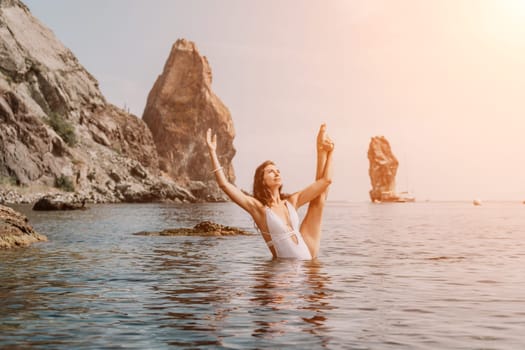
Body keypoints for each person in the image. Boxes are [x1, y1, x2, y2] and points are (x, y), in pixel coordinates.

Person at [205, 124, 334, 259]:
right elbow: (224, 185)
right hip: (285, 274)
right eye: (271, 172)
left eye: (278, 171)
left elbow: (326, 181)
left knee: (318, 201)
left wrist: (331, 152)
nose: (276, 174)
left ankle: (321, 149)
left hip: (307, 256)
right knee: (318, 201)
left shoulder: (291, 201)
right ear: (262, 180)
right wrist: (212, 152)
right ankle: (321, 149)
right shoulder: (259, 209)